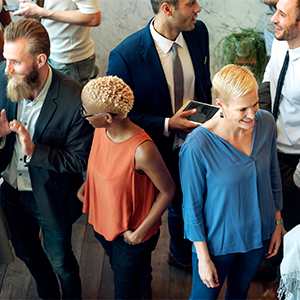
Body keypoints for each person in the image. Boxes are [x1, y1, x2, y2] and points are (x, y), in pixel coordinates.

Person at [107, 0, 212, 273]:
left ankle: (179, 254)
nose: (198, 9)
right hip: (151, 151)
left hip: (195, 143)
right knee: (149, 221)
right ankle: (142, 280)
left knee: (187, 202)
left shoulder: (199, 33)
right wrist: (166, 123)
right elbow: (119, 117)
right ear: (167, 8)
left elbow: (204, 84)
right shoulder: (125, 56)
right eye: (191, 4)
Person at [0, 18, 94, 299]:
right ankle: (47, 293)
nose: (7, 69)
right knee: (26, 252)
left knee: (61, 262)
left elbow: (81, 161)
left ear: (40, 60)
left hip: (51, 197)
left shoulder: (75, 98)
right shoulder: (4, 77)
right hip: (10, 192)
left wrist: (34, 151)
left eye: (15, 62)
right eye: (5, 59)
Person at [179, 64, 283, 300]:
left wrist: (277, 223)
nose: (251, 114)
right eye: (242, 109)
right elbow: (191, 208)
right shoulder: (197, 146)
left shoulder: (265, 122)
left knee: (239, 293)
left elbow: (273, 175)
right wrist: (203, 258)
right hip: (218, 243)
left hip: (260, 235)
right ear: (220, 106)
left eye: (255, 104)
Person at [77, 75, 175, 299]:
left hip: (130, 235)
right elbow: (102, 166)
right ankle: (144, 285)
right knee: (128, 272)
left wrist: (138, 234)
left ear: (108, 117)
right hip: (103, 223)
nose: (83, 116)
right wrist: (86, 189)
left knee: (124, 291)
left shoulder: (143, 150)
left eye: (86, 112)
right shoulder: (100, 130)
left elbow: (168, 191)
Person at [258, 0, 300, 297]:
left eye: (282, 14)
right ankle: (272, 261)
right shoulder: (280, 41)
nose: (274, 19)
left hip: (297, 160)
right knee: (270, 213)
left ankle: (284, 280)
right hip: (271, 148)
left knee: (292, 221)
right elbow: (269, 80)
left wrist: (295, 178)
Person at [13, 0, 101, 86]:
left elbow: (94, 18)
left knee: (68, 98)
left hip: (69, 59)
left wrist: (42, 13)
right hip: (50, 50)